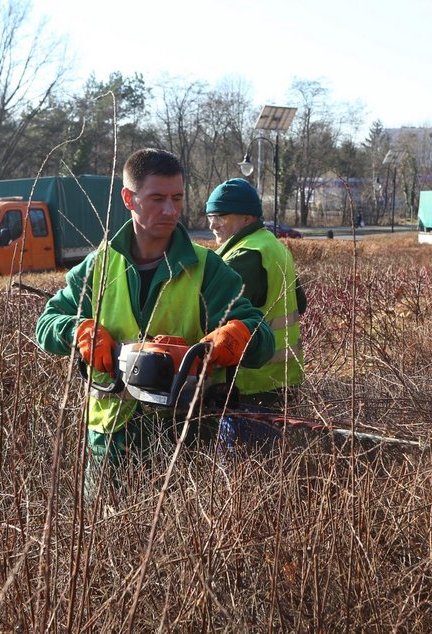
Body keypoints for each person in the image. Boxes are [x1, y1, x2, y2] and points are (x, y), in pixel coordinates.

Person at [34, 149, 275, 496]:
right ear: (129, 198)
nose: (170, 210)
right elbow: (48, 323)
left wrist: (238, 335)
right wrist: (79, 332)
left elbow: (261, 336)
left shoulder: (207, 269)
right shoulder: (98, 267)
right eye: (157, 198)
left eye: (177, 198)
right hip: (110, 445)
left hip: (186, 441)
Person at [205, 178, 307, 406]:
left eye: (220, 216)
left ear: (246, 217)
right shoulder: (274, 246)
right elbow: (300, 304)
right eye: (210, 217)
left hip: (249, 384)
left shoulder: (243, 257)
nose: (213, 225)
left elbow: (210, 319)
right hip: (284, 378)